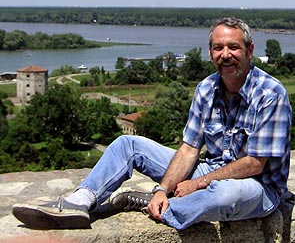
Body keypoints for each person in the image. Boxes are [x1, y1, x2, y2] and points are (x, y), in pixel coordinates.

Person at [12, 17, 292, 230]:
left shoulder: (270, 93)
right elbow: (188, 149)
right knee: (128, 144)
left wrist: (198, 183)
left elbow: (255, 163)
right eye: (218, 48)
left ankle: (156, 207)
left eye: (234, 47)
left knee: (223, 195)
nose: (225, 54)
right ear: (210, 53)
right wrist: (162, 188)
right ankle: (81, 202)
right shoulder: (206, 88)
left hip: (257, 186)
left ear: (250, 50)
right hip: (212, 170)